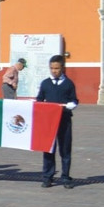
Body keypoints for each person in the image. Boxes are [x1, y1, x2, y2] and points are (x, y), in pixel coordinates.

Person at [36, 55, 78, 189]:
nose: (54, 71)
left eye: (57, 68)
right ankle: (48, 177)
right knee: (48, 149)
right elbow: (39, 99)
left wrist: (72, 104)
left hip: (64, 120)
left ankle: (65, 176)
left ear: (62, 68)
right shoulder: (45, 83)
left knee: (65, 149)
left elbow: (74, 99)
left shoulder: (68, 84)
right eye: (52, 68)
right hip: (49, 121)